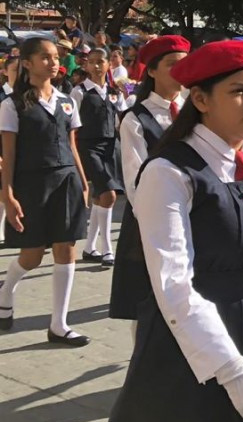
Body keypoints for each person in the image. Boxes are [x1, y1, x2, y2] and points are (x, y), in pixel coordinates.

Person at [108, 39, 243, 422]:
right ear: (200, 99)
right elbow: (174, 285)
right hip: (199, 340)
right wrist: (230, 369)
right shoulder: (169, 172)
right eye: (237, 92)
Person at [0, 37, 90, 346]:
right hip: (32, 184)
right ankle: (6, 289)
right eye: (45, 57)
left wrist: (83, 181)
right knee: (33, 255)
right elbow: (8, 156)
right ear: (26, 63)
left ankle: (59, 324)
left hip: (66, 181)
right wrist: (7, 196)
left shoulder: (67, 100)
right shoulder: (12, 105)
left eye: (56, 57)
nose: (54, 63)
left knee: (67, 248)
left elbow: (72, 145)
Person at [110, 35, 191, 324]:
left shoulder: (196, 111)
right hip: (152, 220)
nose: (180, 71)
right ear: (152, 71)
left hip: (194, 214)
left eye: (184, 65)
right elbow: (135, 181)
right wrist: (155, 224)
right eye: (171, 65)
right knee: (146, 303)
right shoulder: (136, 119)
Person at [72, 48, 128, 267]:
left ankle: (89, 247)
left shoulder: (115, 92)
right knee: (109, 195)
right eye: (92, 62)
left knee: (100, 197)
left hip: (111, 146)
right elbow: (71, 125)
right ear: (86, 66)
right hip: (89, 146)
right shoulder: (80, 92)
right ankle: (107, 249)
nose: (96, 66)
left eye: (101, 62)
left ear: (108, 65)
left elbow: (123, 117)